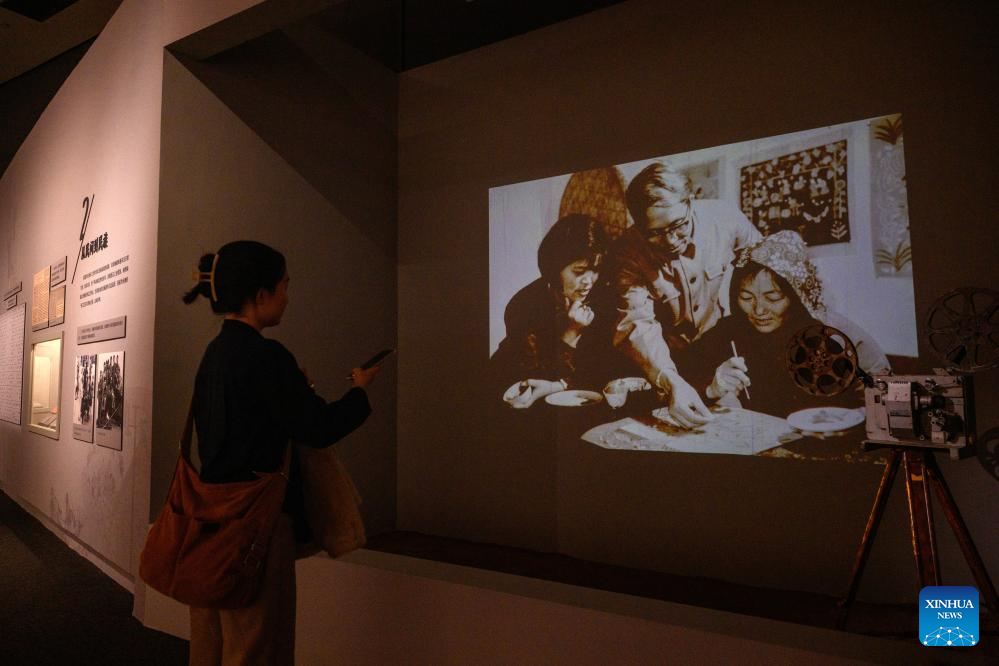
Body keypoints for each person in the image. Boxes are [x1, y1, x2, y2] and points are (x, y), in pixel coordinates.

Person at [182, 240, 379, 665]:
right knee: (258, 647)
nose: (288, 297)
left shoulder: (214, 354)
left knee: (211, 646)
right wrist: (360, 392)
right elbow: (319, 427)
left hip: (209, 520)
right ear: (260, 295)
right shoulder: (266, 357)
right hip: (257, 524)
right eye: (284, 286)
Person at [611, 161, 762, 427]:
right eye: (654, 234)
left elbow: (767, 268)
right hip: (665, 362)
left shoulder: (724, 218)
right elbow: (637, 323)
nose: (670, 241)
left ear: (690, 201)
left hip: (722, 350)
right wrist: (671, 381)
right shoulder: (627, 252)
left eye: (678, 225)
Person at [680, 230, 882, 417]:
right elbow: (680, 370)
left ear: (796, 298)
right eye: (746, 297)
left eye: (773, 298)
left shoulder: (831, 335)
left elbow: (882, 403)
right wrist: (711, 388)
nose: (759, 310)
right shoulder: (734, 328)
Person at [491, 213, 611, 408]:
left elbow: (604, 367)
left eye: (595, 270)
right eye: (579, 271)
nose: (589, 281)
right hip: (512, 386)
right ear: (555, 268)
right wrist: (571, 333)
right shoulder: (524, 305)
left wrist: (561, 385)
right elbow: (534, 378)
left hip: (572, 393)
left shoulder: (601, 297)